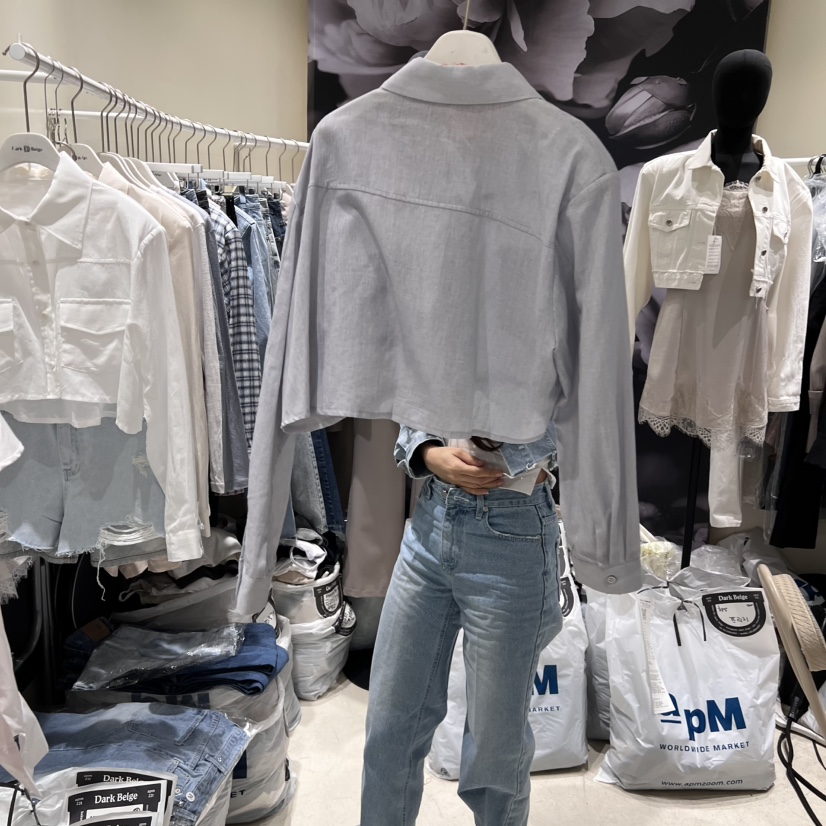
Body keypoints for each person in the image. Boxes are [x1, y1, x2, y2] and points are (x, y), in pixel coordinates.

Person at [360, 424, 561, 825]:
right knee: (389, 728)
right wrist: (426, 452)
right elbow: (416, 393)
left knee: (495, 749)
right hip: (431, 518)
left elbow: (580, 415)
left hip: (513, 527)